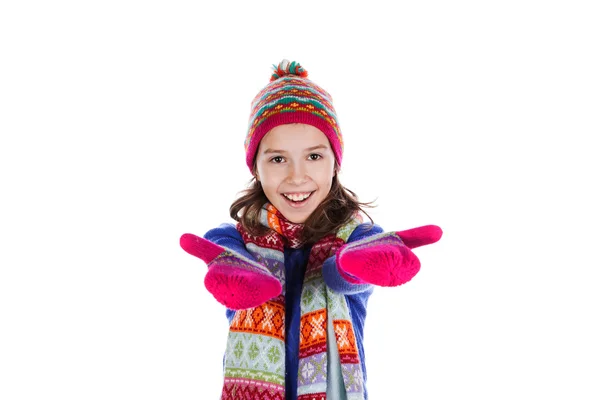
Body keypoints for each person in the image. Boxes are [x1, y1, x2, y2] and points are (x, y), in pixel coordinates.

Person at [180, 59, 442, 400]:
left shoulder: (354, 237)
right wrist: (231, 269)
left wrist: (358, 264)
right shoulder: (242, 237)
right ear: (255, 168)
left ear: (335, 163)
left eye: (314, 157)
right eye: (278, 159)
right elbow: (221, 245)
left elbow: (341, 274)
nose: (296, 176)